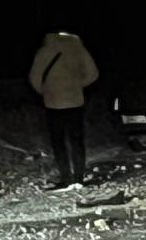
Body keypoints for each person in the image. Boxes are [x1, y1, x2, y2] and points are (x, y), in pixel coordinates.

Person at [28, 30, 99, 191]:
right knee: (77, 141)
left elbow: (35, 78)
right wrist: (77, 86)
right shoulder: (78, 49)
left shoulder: (44, 51)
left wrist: (46, 90)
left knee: (58, 142)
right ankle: (79, 177)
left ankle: (66, 177)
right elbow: (93, 74)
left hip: (53, 102)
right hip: (75, 101)